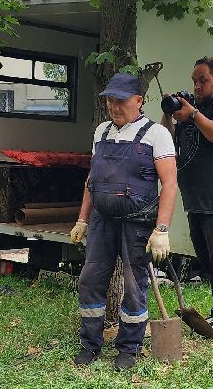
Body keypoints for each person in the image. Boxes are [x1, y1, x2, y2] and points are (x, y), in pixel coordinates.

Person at [70, 71, 177, 370]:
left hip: (137, 224)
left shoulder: (157, 134)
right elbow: (92, 179)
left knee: (133, 285)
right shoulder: (101, 132)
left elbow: (169, 184)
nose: (114, 107)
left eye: (121, 101)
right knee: (90, 280)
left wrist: (162, 230)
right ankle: (90, 345)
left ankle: (128, 349)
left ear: (139, 101)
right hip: (103, 222)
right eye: (110, 101)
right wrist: (83, 219)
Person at [164, 56, 213, 335]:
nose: (197, 86)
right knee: (207, 261)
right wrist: (170, 112)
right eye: (194, 81)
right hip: (197, 200)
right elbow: (168, 142)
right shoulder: (193, 110)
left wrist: (193, 115)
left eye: (203, 80)